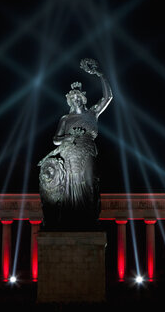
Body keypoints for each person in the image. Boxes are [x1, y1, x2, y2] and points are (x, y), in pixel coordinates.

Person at [38, 59, 113, 229]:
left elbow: (108, 97)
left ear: (83, 99)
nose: (76, 100)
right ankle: (73, 222)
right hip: (70, 153)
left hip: (88, 152)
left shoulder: (92, 113)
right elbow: (55, 139)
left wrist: (100, 75)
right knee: (71, 188)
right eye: (73, 99)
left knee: (89, 183)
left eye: (78, 97)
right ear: (70, 101)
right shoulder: (66, 119)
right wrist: (68, 139)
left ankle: (89, 220)